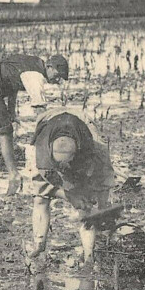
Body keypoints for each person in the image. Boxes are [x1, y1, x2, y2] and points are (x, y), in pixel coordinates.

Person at [28, 108, 115, 264]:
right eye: (58, 165)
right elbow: (48, 181)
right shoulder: (41, 151)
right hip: (51, 119)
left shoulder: (90, 149)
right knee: (40, 198)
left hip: (82, 127)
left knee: (89, 205)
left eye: (66, 165)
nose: (63, 170)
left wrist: (81, 197)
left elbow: (84, 182)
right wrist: (69, 195)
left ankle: (90, 255)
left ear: (75, 154)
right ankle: (39, 244)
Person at [0, 54, 69, 194]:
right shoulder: (35, 76)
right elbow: (40, 109)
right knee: (6, 132)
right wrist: (48, 133)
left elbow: (13, 84)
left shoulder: (32, 63)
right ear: (49, 67)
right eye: (57, 74)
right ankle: (14, 174)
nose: (58, 80)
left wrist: (11, 111)